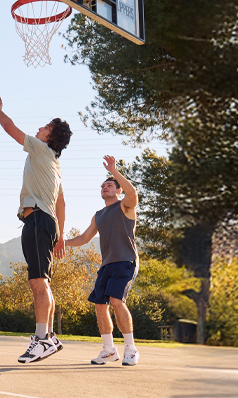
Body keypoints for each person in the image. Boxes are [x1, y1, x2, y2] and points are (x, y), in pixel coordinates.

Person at [0, 95, 72, 364]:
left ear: (49, 137)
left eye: (46, 126)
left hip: (38, 220)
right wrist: (59, 235)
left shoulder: (38, 147)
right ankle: (47, 335)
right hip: (46, 223)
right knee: (43, 281)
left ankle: (41, 340)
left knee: (38, 282)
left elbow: (10, 129)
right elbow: (61, 202)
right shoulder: (56, 166)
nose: (41, 127)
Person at [65, 156, 142, 366]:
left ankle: (131, 349)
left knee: (117, 301)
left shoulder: (125, 206)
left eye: (109, 185)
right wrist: (62, 243)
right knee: (100, 305)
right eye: (103, 186)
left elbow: (133, 193)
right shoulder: (98, 215)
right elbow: (83, 238)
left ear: (118, 190)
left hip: (126, 261)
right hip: (106, 264)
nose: (104, 188)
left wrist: (114, 171)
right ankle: (109, 350)